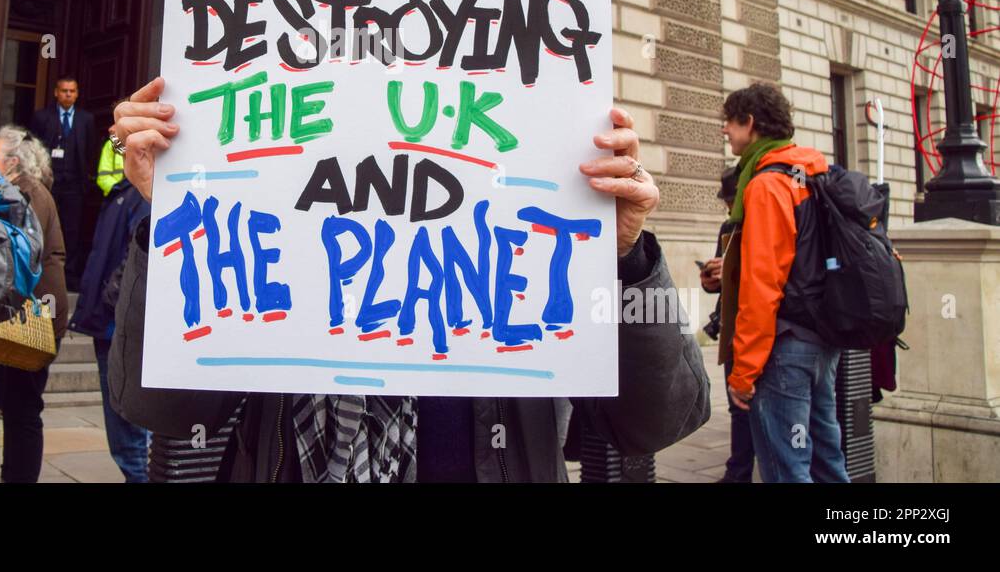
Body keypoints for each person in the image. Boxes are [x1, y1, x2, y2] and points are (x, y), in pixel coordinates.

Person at [108, 77, 710, 482]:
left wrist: (626, 259)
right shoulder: (275, 234)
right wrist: (176, 221)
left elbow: (657, 421)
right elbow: (156, 405)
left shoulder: (533, 239)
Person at [719, 82, 849, 484]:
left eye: (729, 121)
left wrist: (743, 373)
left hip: (785, 346)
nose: (725, 130)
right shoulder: (813, 171)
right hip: (823, 340)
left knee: (787, 467)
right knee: (828, 460)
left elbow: (762, 285)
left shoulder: (766, 185)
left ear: (750, 123)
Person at [70, 115, 151, 481]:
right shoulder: (123, 191)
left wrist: (111, 300)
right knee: (125, 438)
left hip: (120, 328)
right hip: (109, 325)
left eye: (121, 140)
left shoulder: (144, 196)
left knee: (131, 440)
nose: (114, 144)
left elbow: (138, 258)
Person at [0, 125, 68, 483]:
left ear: (12, 161)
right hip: (29, 311)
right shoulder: (22, 191)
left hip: (31, 315)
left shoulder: (26, 194)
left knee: (22, 408)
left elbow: (19, 256)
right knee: (16, 405)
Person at [699, 165, 754, 483]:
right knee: (736, 406)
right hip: (732, 326)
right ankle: (739, 471)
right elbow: (720, 283)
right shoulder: (727, 227)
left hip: (756, 325)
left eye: (732, 199)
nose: (728, 205)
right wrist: (710, 278)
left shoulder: (762, 223)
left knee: (754, 403)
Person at [30, 77, 97, 291]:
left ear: (77, 94)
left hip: (75, 184)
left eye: (72, 91)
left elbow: (91, 149)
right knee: (42, 224)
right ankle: (37, 272)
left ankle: (69, 276)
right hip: (48, 182)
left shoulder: (86, 119)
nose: (68, 94)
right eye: (64, 90)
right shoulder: (42, 117)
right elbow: (33, 146)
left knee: (72, 229)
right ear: (56, 93)